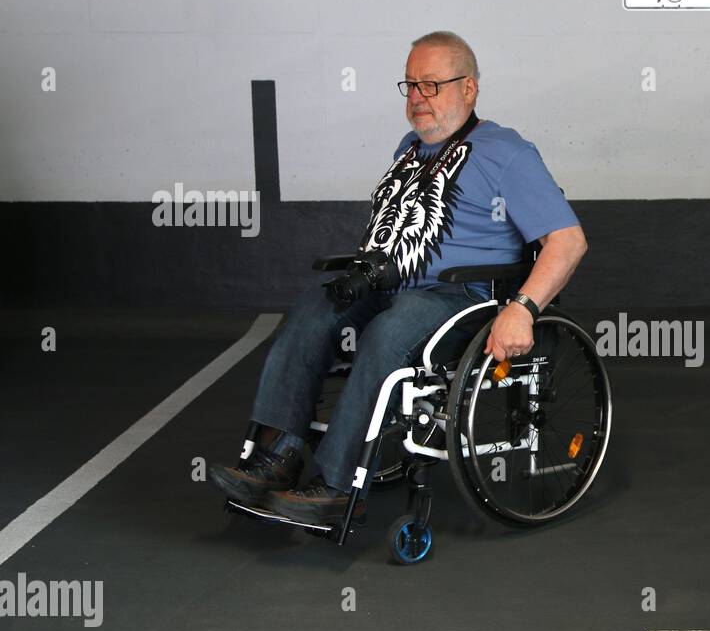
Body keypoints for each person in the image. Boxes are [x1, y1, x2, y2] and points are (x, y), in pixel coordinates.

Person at [208, 31, 588, 523]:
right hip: (391, 284)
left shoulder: (506, 152)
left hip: (462, 296)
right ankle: (276, 456)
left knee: (391, 331)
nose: (416, 99)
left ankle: (337, 486)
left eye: (430, 85)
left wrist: (523, 309)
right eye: (410, 85)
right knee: (316, 304)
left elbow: (568, 240)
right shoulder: (410, 149)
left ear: (468, 88)